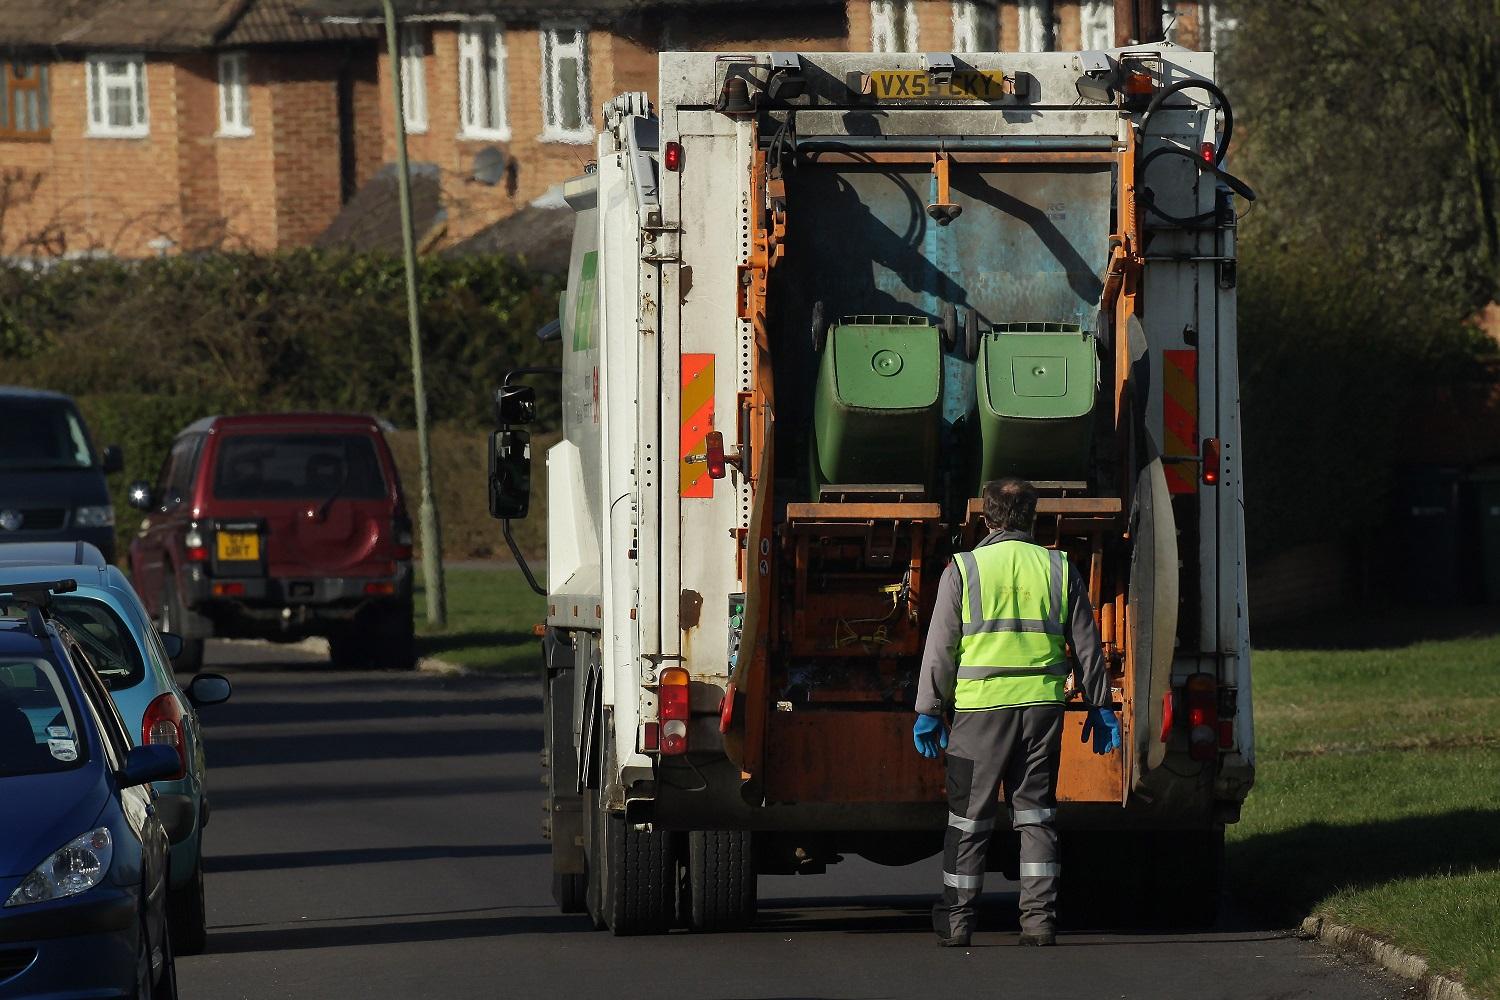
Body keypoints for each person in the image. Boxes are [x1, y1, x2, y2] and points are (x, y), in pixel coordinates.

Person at [913, 477, 1120, 948]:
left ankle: (959, 922)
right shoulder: (1059, 566)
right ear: (1031, 518)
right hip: (1041, 711)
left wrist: (929, 707)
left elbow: (941, 647)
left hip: (980, 712)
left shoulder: (963, 569)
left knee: (968, 820)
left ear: (986, 518)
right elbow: (1086, 646)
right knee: (1037, 815)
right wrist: (1099, 704)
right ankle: (1039, 922)